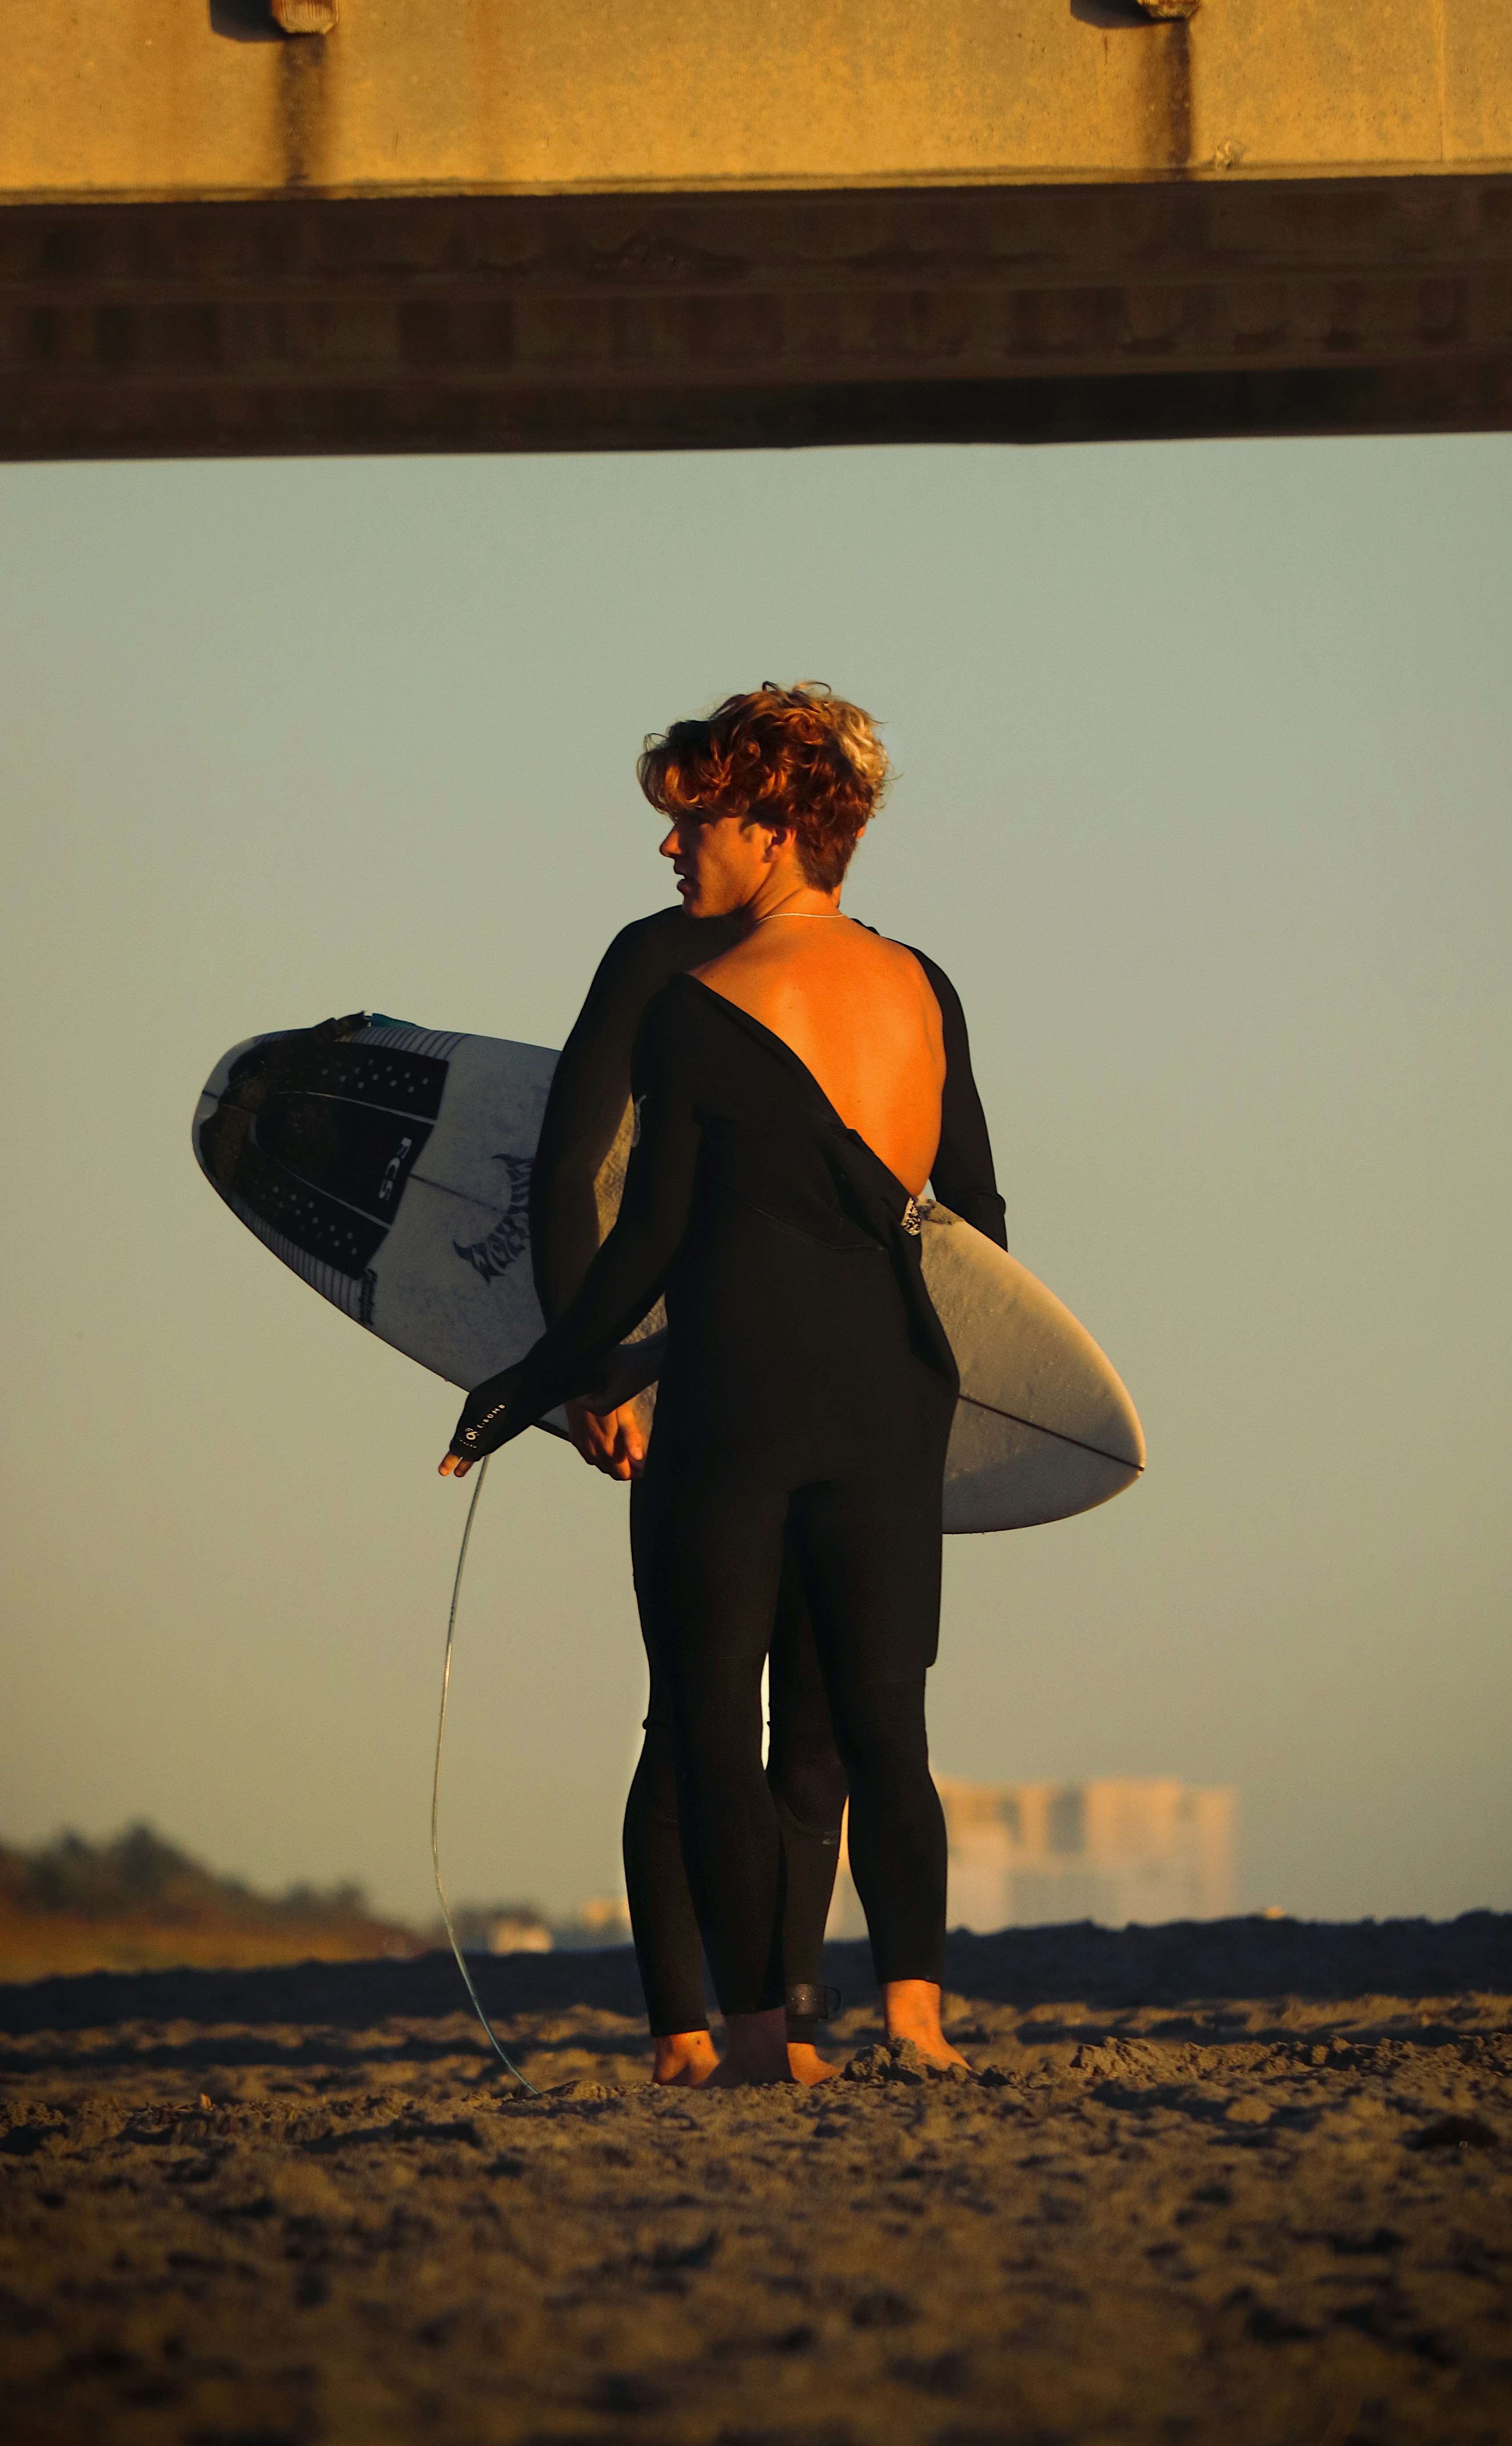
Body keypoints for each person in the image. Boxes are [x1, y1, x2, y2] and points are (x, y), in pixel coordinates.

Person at [442, 685, 1005, 2084]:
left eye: (695, 820)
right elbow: (981, 1229)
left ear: (773, 823)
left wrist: (529, 1380)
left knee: (705, 1716)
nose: (673, 847)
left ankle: (758, 2032)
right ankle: (919, 2018)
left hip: (735, 1400)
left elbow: (648, 1238)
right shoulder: (927, 985)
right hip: (893, 1398)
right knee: (888, 1721)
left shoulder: (697, 1006)